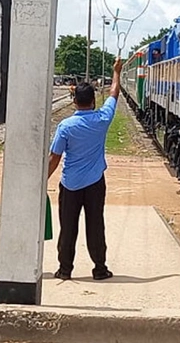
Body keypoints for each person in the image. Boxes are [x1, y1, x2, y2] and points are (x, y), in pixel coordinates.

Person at [47, 57, 123, 281]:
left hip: (70, 184)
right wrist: (116, 71)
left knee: (68, 227)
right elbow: (114, 93)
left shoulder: (66, 126)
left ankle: (65, 270)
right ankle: (100, 269)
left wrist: (41, 181)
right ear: (92, 101)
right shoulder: (102, 118)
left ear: (74, 101)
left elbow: (55, 157)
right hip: (95, 184)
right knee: (95, 225)